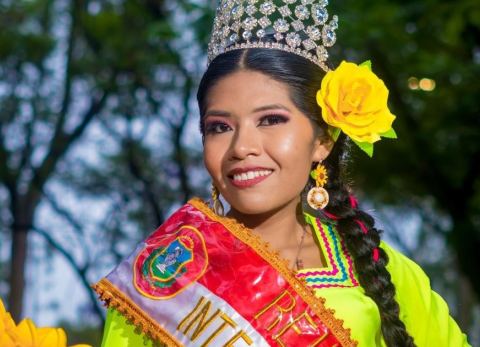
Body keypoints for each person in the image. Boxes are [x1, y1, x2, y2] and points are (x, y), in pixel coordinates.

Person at [93, 0, 472, 346]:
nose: (241, 147)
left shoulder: (377, 266)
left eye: (271, 120)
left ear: (322, 139)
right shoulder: (166, 274)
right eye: (219, 127)